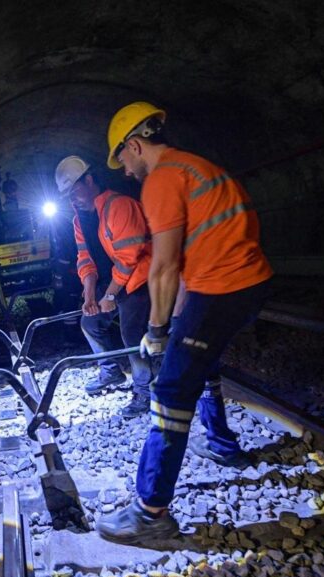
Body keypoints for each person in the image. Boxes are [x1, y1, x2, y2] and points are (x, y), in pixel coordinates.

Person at [97, 102, 274, 543]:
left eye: (123, 159)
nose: (125, 171)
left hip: (220, 290)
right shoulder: (200, 167)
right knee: (200, 361)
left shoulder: (161, 181)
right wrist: (176, 325)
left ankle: (150, 511)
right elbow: (202, 252)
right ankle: (222, 444)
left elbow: (163, 267)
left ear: (135, 146)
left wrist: (156, 333)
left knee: (172, 390)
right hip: (246, 284)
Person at [55, 155, 155, 417]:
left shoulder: (119, 206)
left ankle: (145, 391)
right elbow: (85, 258)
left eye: (73, 191)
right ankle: (111, 371)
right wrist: (89, 295)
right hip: (113, 281)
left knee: (132, 335)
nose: (71, 199)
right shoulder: (79, 219)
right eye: (66, 195)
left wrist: (110, 294)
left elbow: (129, 257)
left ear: (89, 180)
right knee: (90, 324)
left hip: (140, 280)